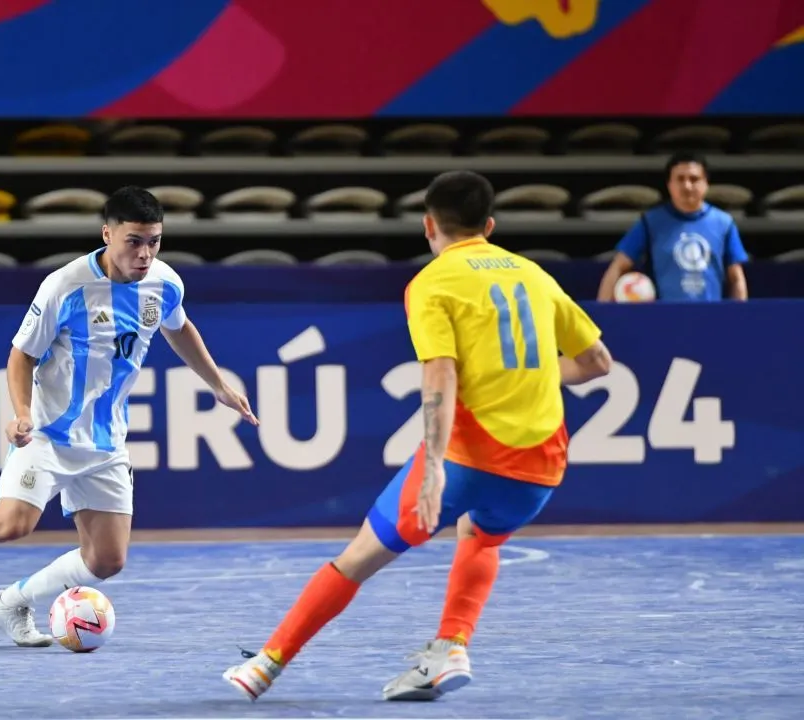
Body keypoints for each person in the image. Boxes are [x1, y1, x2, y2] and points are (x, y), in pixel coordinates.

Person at [223, 171, 613, 702]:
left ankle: (266, 664)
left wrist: (432, 468)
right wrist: (539, 373)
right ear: (490, 226)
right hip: (539, 468)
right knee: (482, 536)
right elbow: (596, 363)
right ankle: (451, 647)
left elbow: (439, 374)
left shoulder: (432, 282)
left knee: (357, 559)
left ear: (429, 225)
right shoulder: (534, 275)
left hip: (464, 459)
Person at [0, 186, 258, 646]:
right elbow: (20, 355)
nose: (145, 253)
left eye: (154, 241)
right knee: (11, 525)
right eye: (134, 241)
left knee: (107, 560)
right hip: (50, 433)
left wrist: (219, 385)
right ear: (107, 234)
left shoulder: (165, 284)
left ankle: (12, 603)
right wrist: (22, 414)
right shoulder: (65, 287)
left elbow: (179, 326)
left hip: (107, 442)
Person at [597, 151, 749, 302]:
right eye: (680, 179)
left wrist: (741, 316)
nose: (687, 186)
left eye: (694, 179)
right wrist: (600, 317)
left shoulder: (724, 223)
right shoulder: (651, 222)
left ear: (706, 184)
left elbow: (736, 278)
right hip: (665, 319)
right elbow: (618, 266)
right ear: (669, 184)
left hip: (711, 317)